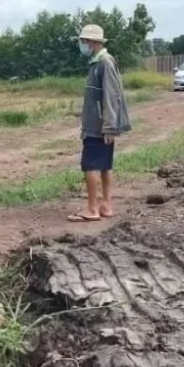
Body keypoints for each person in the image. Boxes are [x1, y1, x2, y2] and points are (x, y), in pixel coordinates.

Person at [69, 24, 131, 222]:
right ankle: (106, 205)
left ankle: (92, 209)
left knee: (91, 166)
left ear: (92, 41)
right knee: (104, 165)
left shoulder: (104, 62)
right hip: (99, 124)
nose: (82, 45)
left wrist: (110, 126)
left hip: (99, 126)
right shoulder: (97, 62)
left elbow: (112, 96)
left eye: (83, 41)